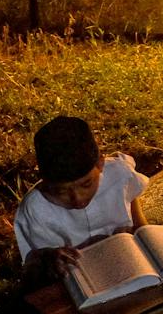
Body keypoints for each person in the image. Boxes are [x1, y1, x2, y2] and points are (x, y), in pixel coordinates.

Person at [14, 115, 148, 284]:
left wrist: (143, 230)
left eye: (86, 184)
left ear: (100, 164)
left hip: (130, 261)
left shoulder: (119, 174)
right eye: (61, 191)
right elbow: (36, 262)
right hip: (80, 280)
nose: (77, 199)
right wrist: (50, 258)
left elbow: (132, 196)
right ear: (45, 182)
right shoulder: (36, 210)